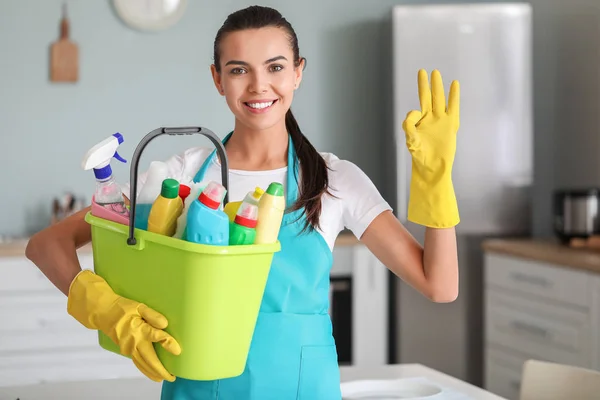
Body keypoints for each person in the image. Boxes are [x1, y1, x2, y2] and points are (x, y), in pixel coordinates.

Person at [25, 5, 460, 400]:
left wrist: (436, 179)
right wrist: (106, 309)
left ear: (298, 73)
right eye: (238, 70)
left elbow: (439, 285)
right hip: (199, 391)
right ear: (217, 78)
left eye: (275, 67)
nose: (259, 86)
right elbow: (46, 245)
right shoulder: (180, 175)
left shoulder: (332, 180)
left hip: (303, 391)